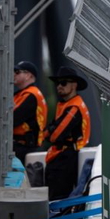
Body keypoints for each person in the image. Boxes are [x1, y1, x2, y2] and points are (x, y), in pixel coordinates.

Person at [44, 67, 91, 200]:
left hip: (65, 159)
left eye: (63, 83)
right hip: (59, 157)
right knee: (53, 198)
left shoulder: (74, 107)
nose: (59, 86)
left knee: (58, 199)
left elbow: (55, 135)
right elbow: (49, 132)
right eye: (57, 83)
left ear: (74, 85)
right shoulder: (65, 105)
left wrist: (52, 130)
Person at [12, 59, 48, 166]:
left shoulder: (32, 95)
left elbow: (13, 119)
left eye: (17, 72)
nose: (14, 74)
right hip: (21, 146)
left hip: (25, 148)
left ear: (28, 76)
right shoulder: (21, 94)